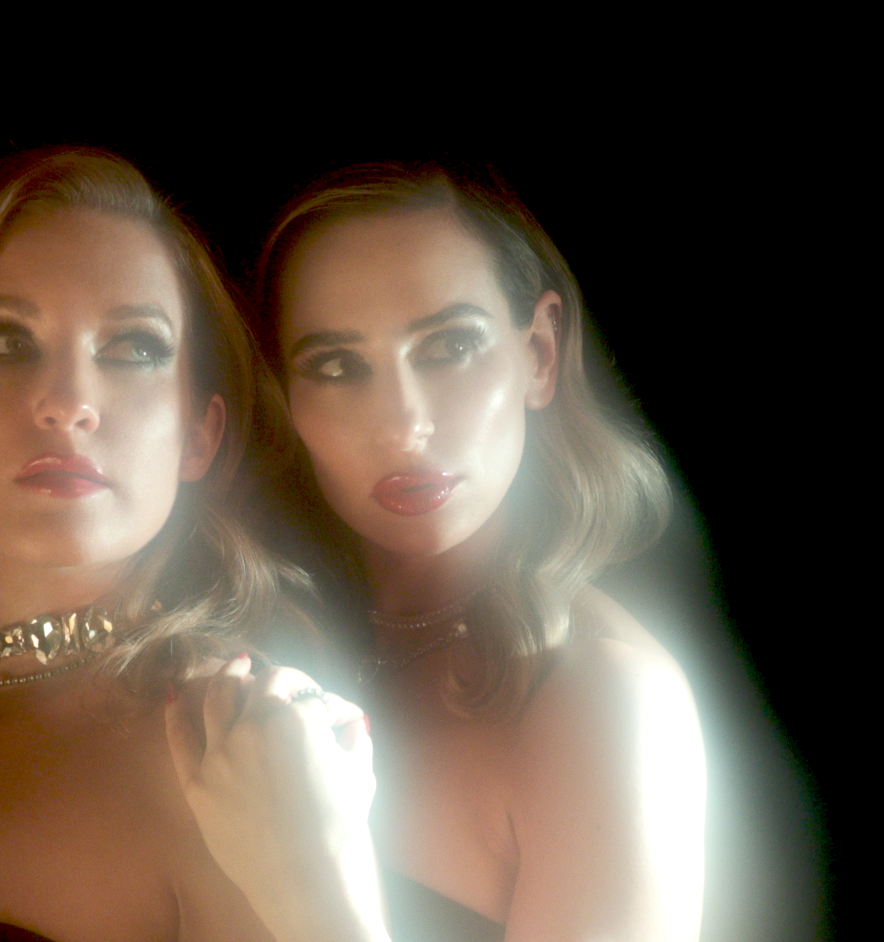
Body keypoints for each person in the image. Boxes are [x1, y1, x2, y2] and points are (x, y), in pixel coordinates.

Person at [0, 148, 389, 942]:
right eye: (6, 342)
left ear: (197, 436)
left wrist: (322, 886)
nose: (69, 402)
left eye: (134, 348)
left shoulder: (230, 752)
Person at [254, 162, 707, 941]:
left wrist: (308, 873)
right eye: (337, 366)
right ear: (287, 399)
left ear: (539, 354)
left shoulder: (602, 699)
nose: (403, 424)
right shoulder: (282, 642)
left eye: (450, 346)